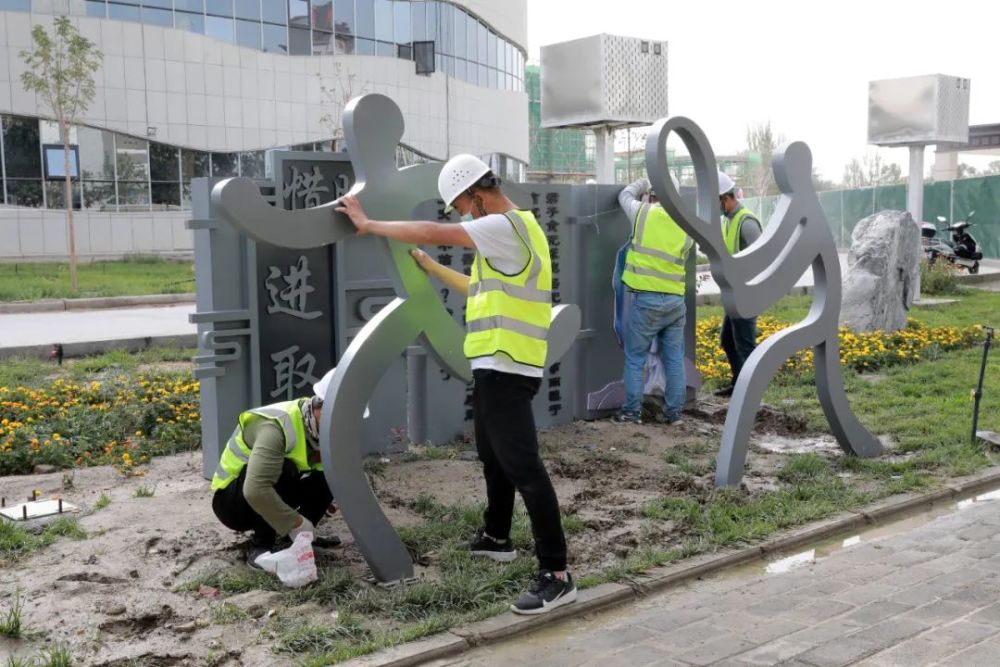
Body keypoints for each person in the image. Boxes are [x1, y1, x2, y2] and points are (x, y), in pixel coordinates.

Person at [334, 154, 576, 616]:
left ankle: (557, 574)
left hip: (509, 366)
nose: (462, 216)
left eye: (462, 207)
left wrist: (368, 224)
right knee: (493, 455)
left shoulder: (507, 225)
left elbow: (432, 231)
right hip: (495, 367)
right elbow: (478, 288)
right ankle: (497, 536)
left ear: (478, 196)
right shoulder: (507, 239)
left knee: (523, 466)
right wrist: (431, 268)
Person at [211, 391, 339, 567]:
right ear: (323, 407)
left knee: (329, 474)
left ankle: (298, 539)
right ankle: (261, 545)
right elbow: (256, 490)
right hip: (232, 503)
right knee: (284, 469)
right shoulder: (275, 426)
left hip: (264, 492)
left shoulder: (317, 431)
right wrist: (297, 523)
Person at [615, 175, 693, 425]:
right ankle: (674, 415)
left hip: (646, 301)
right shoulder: (687, 224)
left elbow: (624, 195)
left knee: (635, 358)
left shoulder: (642, 213)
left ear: (652, 195)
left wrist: (644, 179)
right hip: (675, 303)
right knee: (674, 360)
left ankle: (631, 412)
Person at [716, 171, 763, 397]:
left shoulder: (746, 222)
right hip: (735, 293)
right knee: (727, 340)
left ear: (726, 198)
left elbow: (761, 258)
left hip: (747, 293)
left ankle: (749, 393)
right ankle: (739, 385)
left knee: (745, 345)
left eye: (716, 202)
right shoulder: (730, 221)